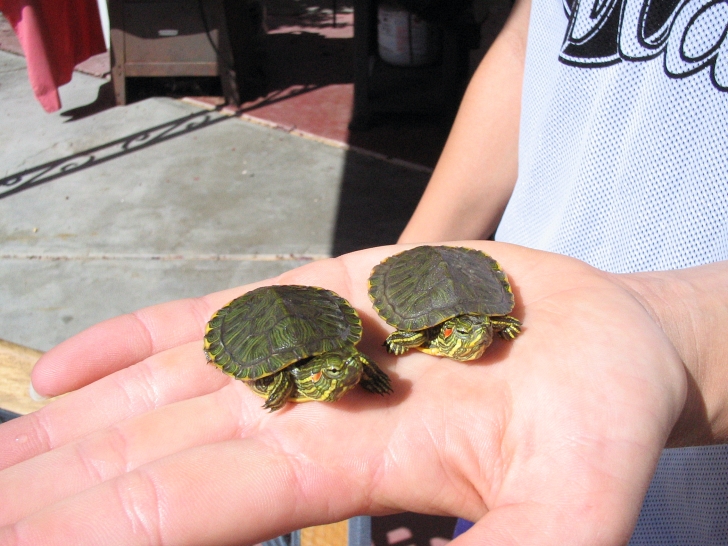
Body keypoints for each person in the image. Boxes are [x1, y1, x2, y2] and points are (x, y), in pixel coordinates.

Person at [0, 0, 726, 545]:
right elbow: (536, 38)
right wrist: (404, 265)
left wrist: (682, 333)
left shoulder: (486, 341)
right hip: (511, 343)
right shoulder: (379, 354)